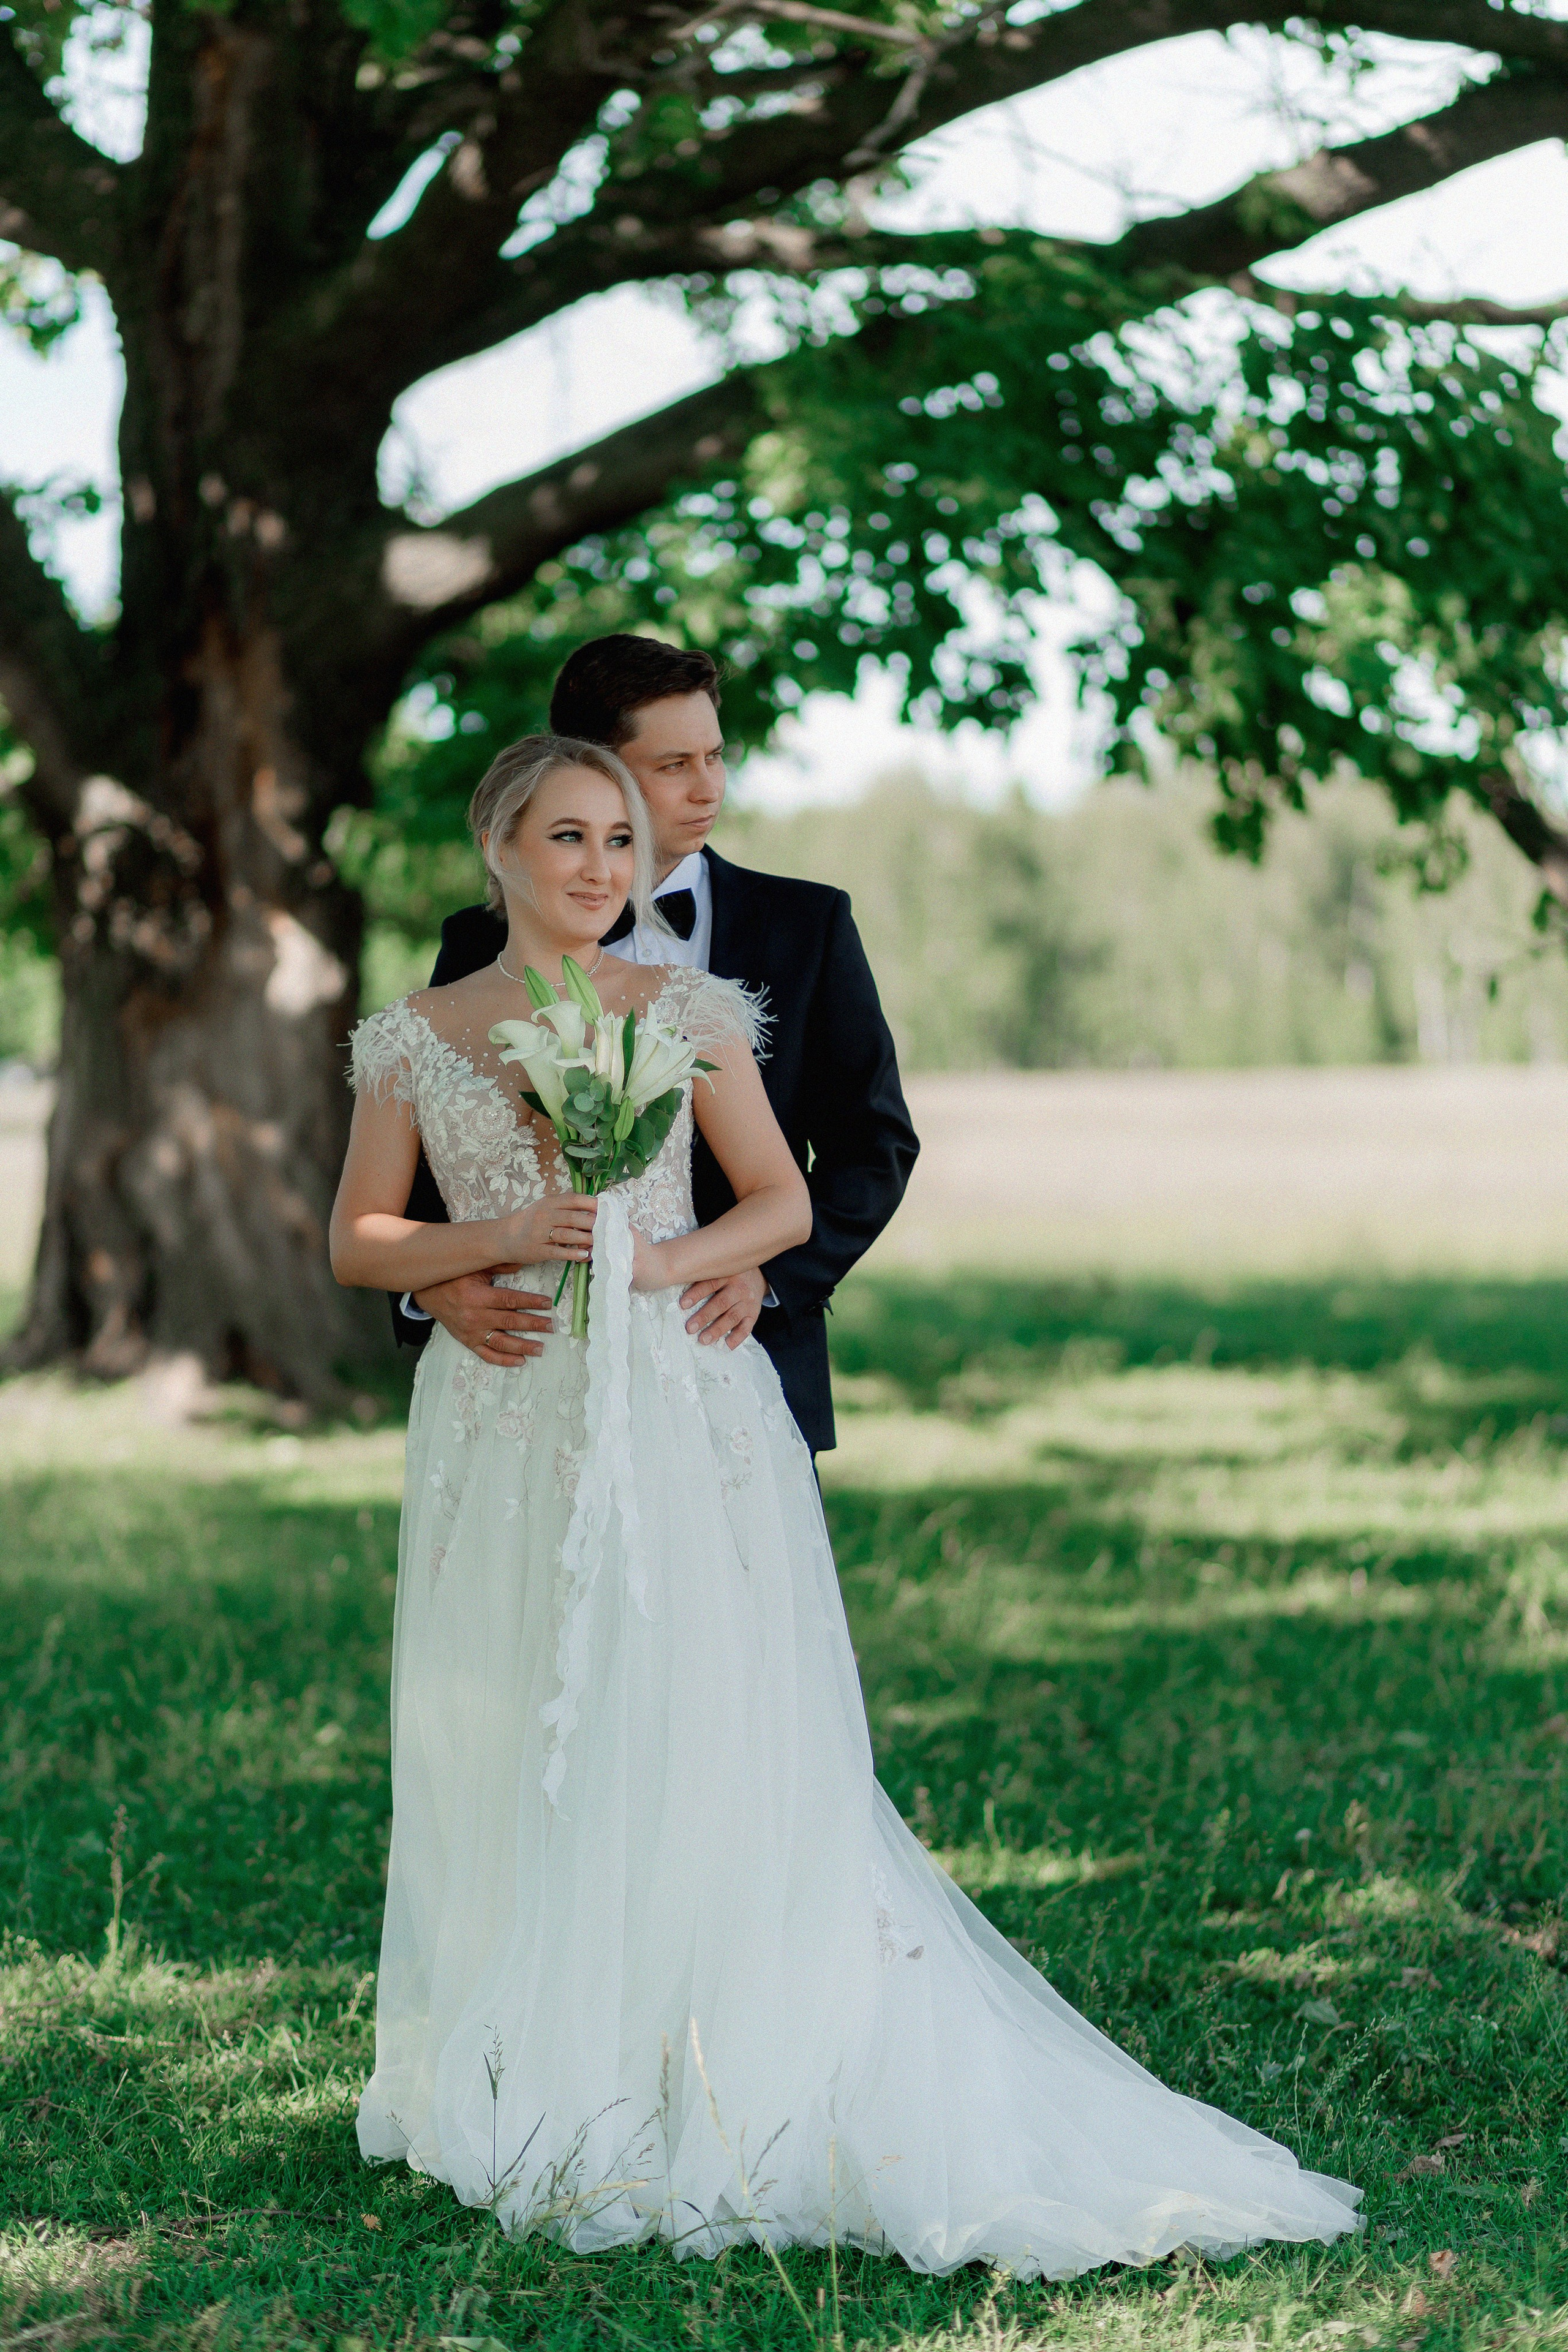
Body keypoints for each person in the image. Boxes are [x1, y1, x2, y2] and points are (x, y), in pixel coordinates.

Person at [332, 731, 1362, 2274]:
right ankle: (529, 2060)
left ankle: (710, 2053)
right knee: (514, 1714)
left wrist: (659, 1259)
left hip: (678, 1405)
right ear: (498, 849)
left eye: (621, 842)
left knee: (691, 1710)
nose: (603, 870)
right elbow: (358, 1236)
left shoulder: (684, 1012)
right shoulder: (414, 1034)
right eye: (569, 840)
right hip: (502, 1416)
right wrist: (476, 1246)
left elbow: (783, 1196)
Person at [389, 635, 918, 1455]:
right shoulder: (476, 941)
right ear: (589, 768)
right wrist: (437, 1283)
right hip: (526, 1386)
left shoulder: (805, 928)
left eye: (715, 755)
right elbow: (435, 1148)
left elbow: (873, 1142)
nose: (709, 787)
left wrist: (769, 1274)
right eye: (674, 765)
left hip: (740, 1358)